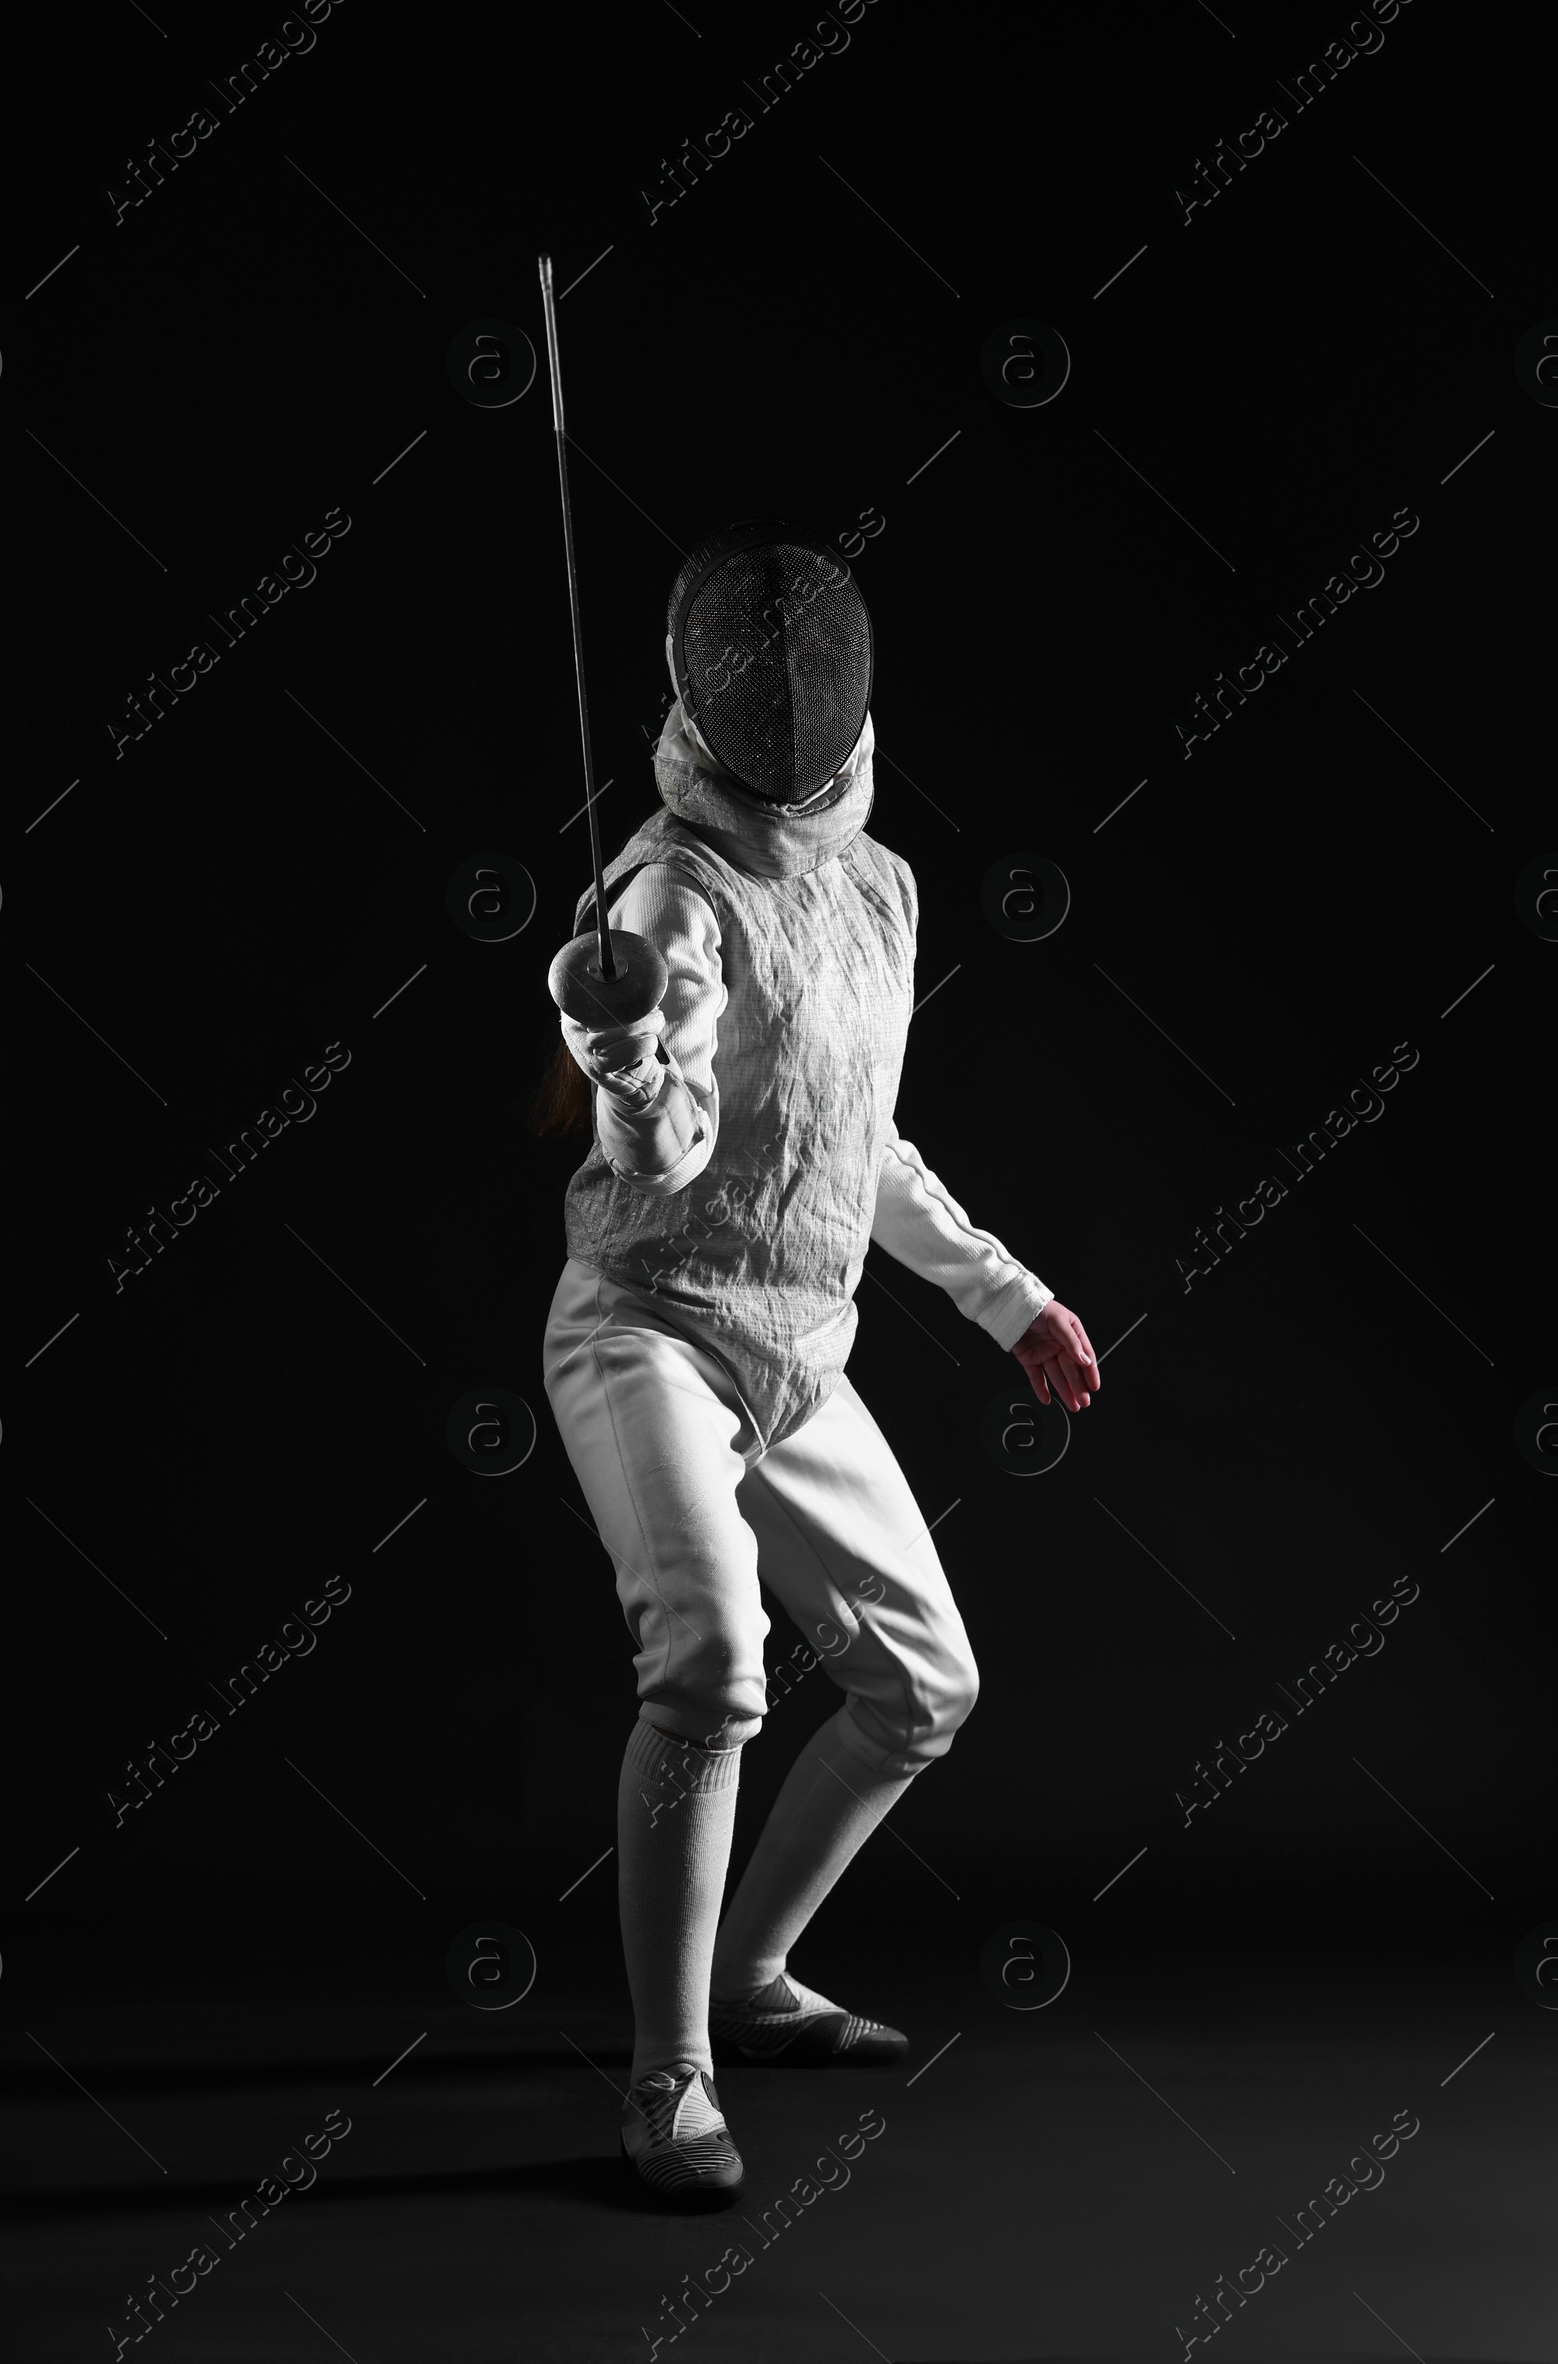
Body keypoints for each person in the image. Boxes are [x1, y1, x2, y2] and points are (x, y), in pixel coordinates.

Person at [535, 523, 1098, 2208]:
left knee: (923, 1682)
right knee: (711, 1668)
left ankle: (748, 1984)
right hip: (647, 1330)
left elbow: (858, 1143)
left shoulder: (879, 885)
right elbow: (671, 1153)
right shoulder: (668, 893)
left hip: (798, 1352)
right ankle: (668, 2075)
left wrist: (1003, 1297)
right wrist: (624, 1049)